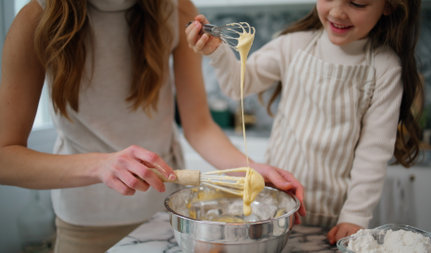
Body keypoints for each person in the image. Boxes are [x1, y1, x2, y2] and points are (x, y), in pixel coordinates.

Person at [0, 0, 306, 252]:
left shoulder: (175, 10)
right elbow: (6, 158)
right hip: (85, 227)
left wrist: (249, 168)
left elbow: (198, 126)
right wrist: (100, 165)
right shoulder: (36, 19)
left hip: (167, 218)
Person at [186, 0, 423, 245]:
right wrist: (217, 50)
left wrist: (355, 217)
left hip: (334, 220)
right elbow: (237, 85)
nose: (337, 12)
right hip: (274, 211)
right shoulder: (293, 45)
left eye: (357, 3)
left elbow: (373, 152)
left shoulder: (384, 68)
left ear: (389, 6)